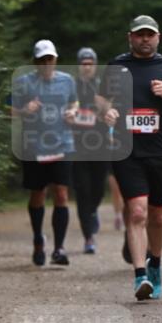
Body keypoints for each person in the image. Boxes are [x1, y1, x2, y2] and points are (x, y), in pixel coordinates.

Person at [96, 15, 162, 300]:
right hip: (126, 150)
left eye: (149, 35)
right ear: (130, 37)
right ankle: (140, 275)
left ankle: (155, 262)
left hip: (161, 151)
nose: (145, 39)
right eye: (139, 35)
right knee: (138, 211)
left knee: (157, 214)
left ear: (158, 37)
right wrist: (107, 110)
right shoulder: (117, 66)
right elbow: (100, 97)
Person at [11, 38, 77, 266]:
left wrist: (72, 112)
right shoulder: (23, 83)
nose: (46, 63)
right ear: (35, 62)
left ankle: (59, 248)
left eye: (50, 58)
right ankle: (38, 241)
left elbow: (74, 103)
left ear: (56, 59)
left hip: (63, 145)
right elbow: (5, 109)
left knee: (61, 194)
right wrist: (22, 109)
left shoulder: (67, 80)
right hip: (34, 146)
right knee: (38, 194)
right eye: (42, 60)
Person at [71, 47, 108, 254]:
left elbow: (112, 110)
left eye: (90, 64)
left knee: (98, 189)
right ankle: (88, 237)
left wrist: (104, 108)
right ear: (79, 66)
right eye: (83, 64)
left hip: (100, 145)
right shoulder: (71, 87)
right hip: (77, 147)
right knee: (82, 191)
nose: (87, 67)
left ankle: (93, 211)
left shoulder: (101, 87)